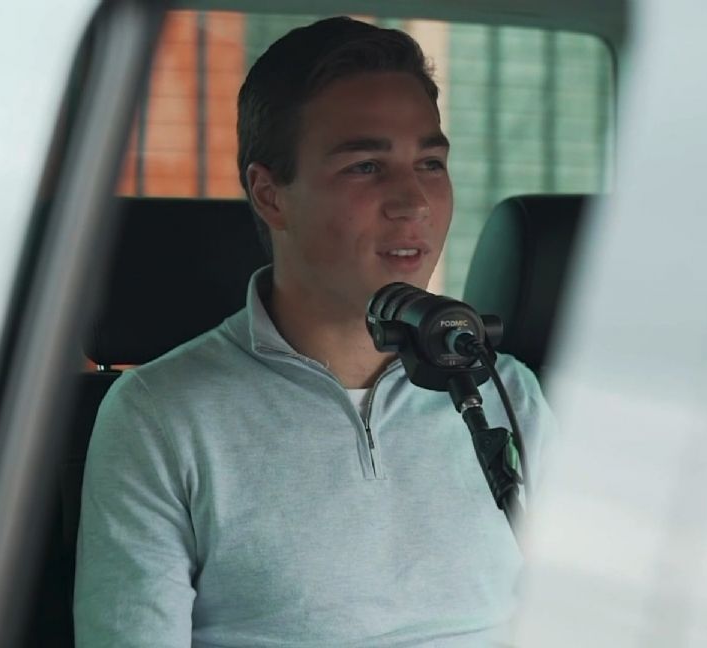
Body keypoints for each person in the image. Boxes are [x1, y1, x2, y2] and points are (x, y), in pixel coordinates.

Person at [73, 16, 557, 647]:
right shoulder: (160, 414)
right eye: (366, 166)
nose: (413, 201)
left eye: (430, 163)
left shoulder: (507, 392)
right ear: (270, 195)